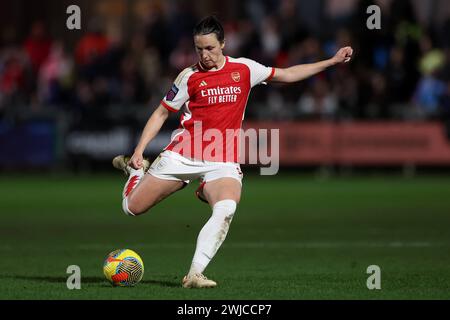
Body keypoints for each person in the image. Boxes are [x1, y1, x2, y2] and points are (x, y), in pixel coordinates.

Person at [113, 15, 353, 288]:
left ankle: (194, 274)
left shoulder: (245, 69)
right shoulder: (189, 77)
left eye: (210, 48)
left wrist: (331, 62)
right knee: (132, 208)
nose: (205, 55)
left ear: (224, 44)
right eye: (199, 49)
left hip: (222, 160)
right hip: (183, 155)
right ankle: (136, 171)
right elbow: (160, 113)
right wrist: (139, 150)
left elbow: (287, 74)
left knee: (226, 208)